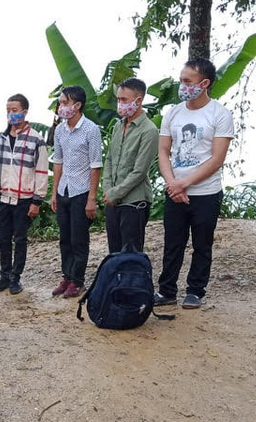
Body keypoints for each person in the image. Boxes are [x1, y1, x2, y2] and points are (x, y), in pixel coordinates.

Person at [155, 58, 235, 309]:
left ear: (205, 83)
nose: (182, 86)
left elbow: (217, 159)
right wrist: (172, 184)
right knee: (172, 243)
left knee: (202, 243)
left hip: (206, 192)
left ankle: (195, 291)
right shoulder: (173, 113)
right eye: (181, 80)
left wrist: (184, 183)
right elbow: (163, 152)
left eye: (187, 81)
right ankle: (166, 290)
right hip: (174, 190)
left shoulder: (220, 115)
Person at [0, 94, 48, 295]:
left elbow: (41, 171)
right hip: (4, 196)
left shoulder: (36, 139)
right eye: (8, 111)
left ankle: (16, 277)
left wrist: (37, 200)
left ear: (24, 111)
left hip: (24, 199)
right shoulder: (2, 137)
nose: (11, 114)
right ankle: (4, 276)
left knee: (20, 238)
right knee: (3, 239)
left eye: (14, 110)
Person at [50, 86, 103, 298]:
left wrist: (92, 198)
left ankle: (78, 280)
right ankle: (67, 276)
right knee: (65, 237)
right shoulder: (60, 130)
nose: (61, 107)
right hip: (64, 189)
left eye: (64, 102)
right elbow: (58, 162)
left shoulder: (91, 129)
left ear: (77, 105)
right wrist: (54, 193)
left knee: (78, 238)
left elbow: (95, 165)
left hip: (81, 191)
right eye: (60, 102)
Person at [102, 78, 159, 253]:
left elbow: (140, 171)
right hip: (112, 201)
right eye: (118, 99)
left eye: (124, 100)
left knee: (131, 252)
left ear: (139, 100)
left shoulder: (149, 130)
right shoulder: (118, 126)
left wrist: (115, 193)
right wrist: (107, 189)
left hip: (134, 201)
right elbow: (110, 159)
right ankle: (115, 281)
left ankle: (130, 281)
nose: (120, 104)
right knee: (114, 250)